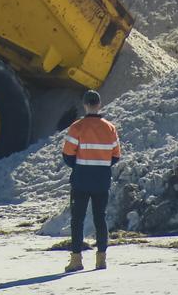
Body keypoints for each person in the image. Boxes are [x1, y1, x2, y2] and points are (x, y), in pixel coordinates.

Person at [62, 89, 121, 272]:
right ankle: (101, 259)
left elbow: (67, 155)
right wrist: (101, 164)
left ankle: (76, 260)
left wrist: (79, 165)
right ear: (99, 105)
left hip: (81, 179)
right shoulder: (110, 128)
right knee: (100, 218)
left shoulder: (77, 127)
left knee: (77, 219)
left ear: (85, 105)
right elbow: (116, 156)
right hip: (102, 180)